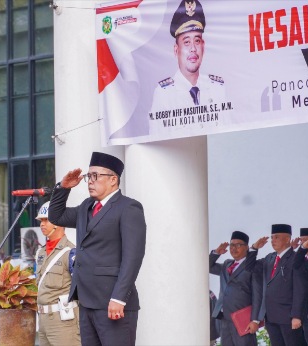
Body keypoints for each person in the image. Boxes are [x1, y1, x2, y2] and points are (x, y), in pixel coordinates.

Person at [48, 151, 147, 346]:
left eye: (96, 176)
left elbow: (132, 257)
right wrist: (63, 188)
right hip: (87, 300)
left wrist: (119, 297)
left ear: (113, 180)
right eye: (88, 176)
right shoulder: (87, 206)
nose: (90, 181)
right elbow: (56, 217)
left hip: (112, 301)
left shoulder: (128, 208)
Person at [149, 0, 225, 133]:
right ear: (176, 49)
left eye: (197, 41)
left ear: (203, 46)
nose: (193, 49)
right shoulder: (164, 94)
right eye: (186, 42)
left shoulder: (217, 88)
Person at [209, 231, 268, 346]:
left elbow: (258, 295)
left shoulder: (253, 266)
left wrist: (255, 320)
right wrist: (216, 253)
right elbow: (208, 266)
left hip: (243, 320)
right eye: (232, 245)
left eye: (238, 245)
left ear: (246, 247)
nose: (234, 248)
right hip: (224, 319)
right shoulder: (227, 264)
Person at [35, 201, 80, 346]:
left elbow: (83, 289)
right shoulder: (41, 253)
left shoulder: (71, 252)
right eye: (41, 220)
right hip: (43, 320)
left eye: (46, 220)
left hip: (64, 321)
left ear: (59, 221)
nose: (42, 224)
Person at [256, 224, 307, 346]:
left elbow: (300, 289)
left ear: (288, 239)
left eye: (276, 237)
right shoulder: (270, 257)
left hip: (288, 317)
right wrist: (254, 248)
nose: (273, 241)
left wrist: (296, 316)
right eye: (272, 237)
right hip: (271, 316)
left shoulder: (295, 258)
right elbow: (249, 267)